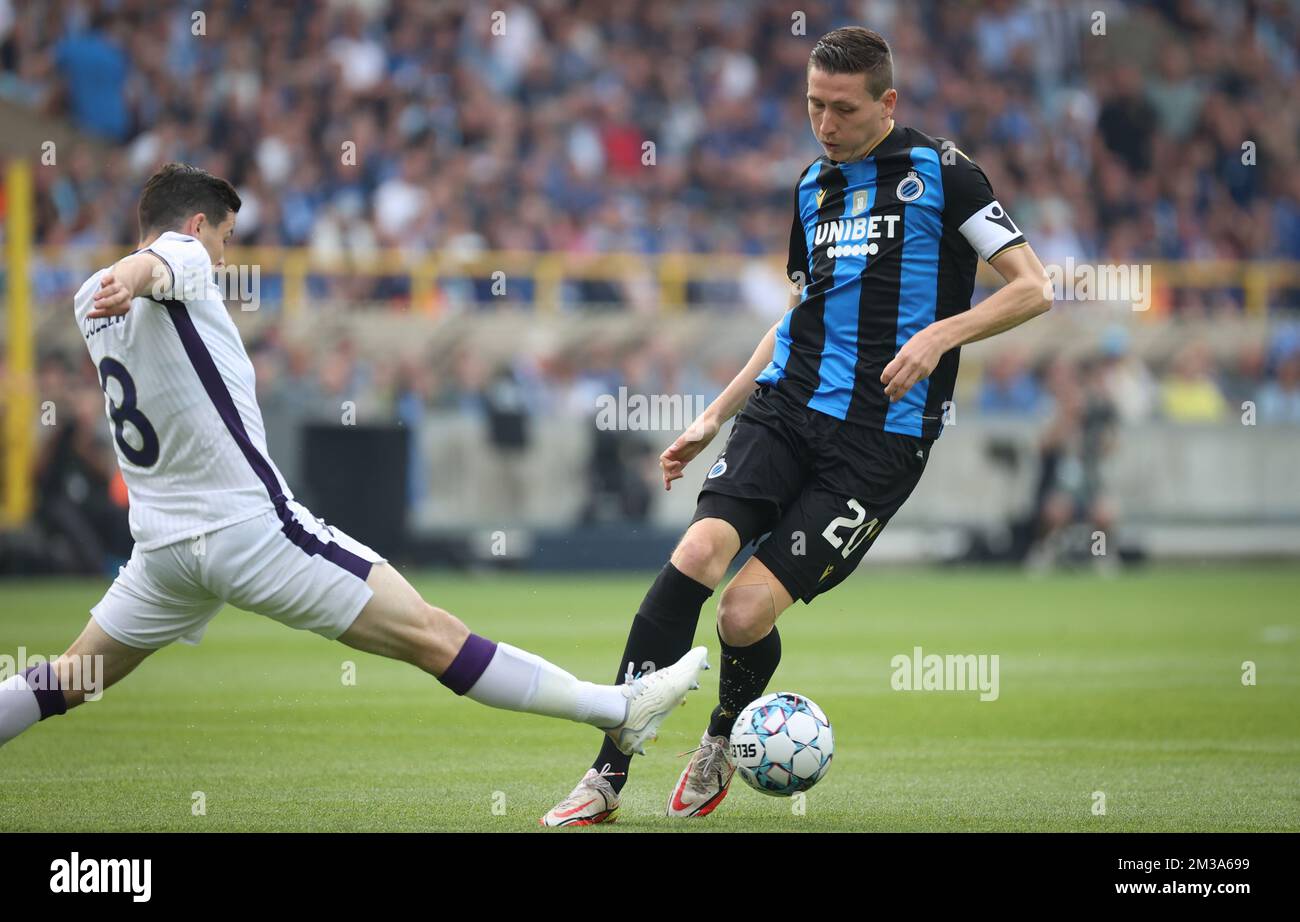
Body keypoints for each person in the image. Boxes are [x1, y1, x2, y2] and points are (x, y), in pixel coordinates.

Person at [0, 164, 708, 772]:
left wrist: (122, 277)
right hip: (247, 531)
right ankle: (617, 708)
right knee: (435, 636)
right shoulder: (176, 257)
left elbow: (137, 275)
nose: (222, 258)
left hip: (160, 548)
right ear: (195, 224)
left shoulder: (82, 297)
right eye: (226, 240)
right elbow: (156, 265)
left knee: (69, 678)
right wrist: (138, 272)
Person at [542, 27, 1052, 825]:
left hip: (882, 440)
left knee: (743, 613)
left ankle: (720, 735)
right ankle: (607, 772)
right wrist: (714, 413)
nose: (825, 123)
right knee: (698, 552)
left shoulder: (945, 174)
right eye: (813, 105)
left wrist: (938, 335)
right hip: (786, 409)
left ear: (887, 102)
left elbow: (1033, 288)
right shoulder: (812, 187)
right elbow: (796, 317)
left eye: (842, 108)